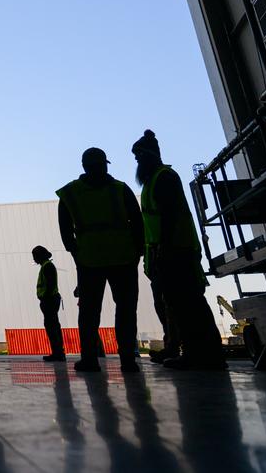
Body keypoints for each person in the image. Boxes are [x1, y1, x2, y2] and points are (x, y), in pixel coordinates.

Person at [133, 129, 226, 370]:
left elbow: (169, 216)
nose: (137, 163)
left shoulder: (164, 177)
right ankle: (190, 349)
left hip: (176, 251)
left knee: (189, 304)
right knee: (176, 304)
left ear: (149, 155)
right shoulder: (153, 180)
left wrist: (163, 247)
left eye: (139, 157)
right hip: (166, 251)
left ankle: (203, 353)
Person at [57, 147, 143, 373]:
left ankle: (90, 359)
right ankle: (127, 359)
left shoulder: (70, 193)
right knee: (125, 309)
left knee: (88, 312)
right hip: (122, 258)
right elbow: (138, 224)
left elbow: (66, 233)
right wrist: (137, 253)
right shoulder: (120, 190)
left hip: (90, 260)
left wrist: (77, 253)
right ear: (105, 164)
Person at [32, 245, 65, 362]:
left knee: (52, 326)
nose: (34, 259)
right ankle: (58, 352)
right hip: (50, 300)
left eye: (35, 256)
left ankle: (58, 353)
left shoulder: (47, 267)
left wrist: (45, 298)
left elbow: (50, 285)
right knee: (53, 325)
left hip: (49, 300)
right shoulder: (46, 266)